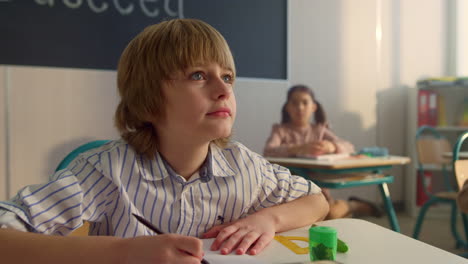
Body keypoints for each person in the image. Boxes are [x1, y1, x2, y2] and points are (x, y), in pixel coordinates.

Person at [0, 19, 329, 264]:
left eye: (227, 77)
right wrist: (124, 252)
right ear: (149, 99)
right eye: (198, 75)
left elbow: (316, 201)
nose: (224, 90)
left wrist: (267, 219)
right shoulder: (107, 171)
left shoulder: (243, 166)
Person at [264, 84, 382, 219]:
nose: (300, 107)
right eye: (294, 103)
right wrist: (298, 148)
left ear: (313, 107)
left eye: (305, 103)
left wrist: (332, 146)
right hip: (287, 192)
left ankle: (352, 205)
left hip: (317, 191)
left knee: (330, 214)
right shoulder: (280, 130)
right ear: (287, 107)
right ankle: (351, 205)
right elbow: (269, 151)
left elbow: (349, 147)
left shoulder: (319, 130)